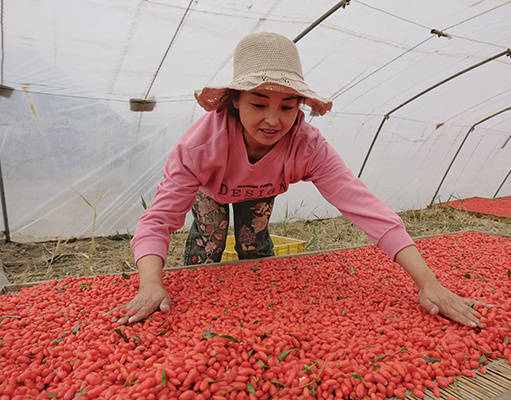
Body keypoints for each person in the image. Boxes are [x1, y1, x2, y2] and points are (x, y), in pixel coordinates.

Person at [111, 32, 486, 329]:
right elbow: (159, 219)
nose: (273, 120)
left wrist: (427, 281)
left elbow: (365, 209)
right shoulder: (199, 147)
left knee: (254, 244)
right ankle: (206, 314)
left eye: (287, 106)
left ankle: (264, 310)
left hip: (261, 192)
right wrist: (150, 284)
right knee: (209, 239)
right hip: (213, 190)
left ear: (299, 107)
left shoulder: (307, 147)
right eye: (259, 104)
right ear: (235, 101)